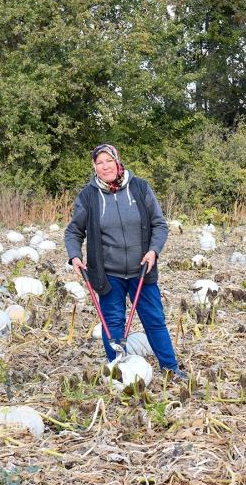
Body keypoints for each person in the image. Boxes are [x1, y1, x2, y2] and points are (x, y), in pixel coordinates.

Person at [64, 144, 186, 379]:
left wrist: (153, 251)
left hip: (142, 270)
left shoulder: (140, 188)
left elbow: (159, 225)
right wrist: (75, 255)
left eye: (108, 160)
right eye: (99, 163)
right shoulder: (88, 196)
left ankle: (171, 369)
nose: (105, 166)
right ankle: (120, 373)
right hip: (109, 274)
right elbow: (73, 231)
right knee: (113, 326)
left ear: (117, 161)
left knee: (154, 321)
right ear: (94, 168)